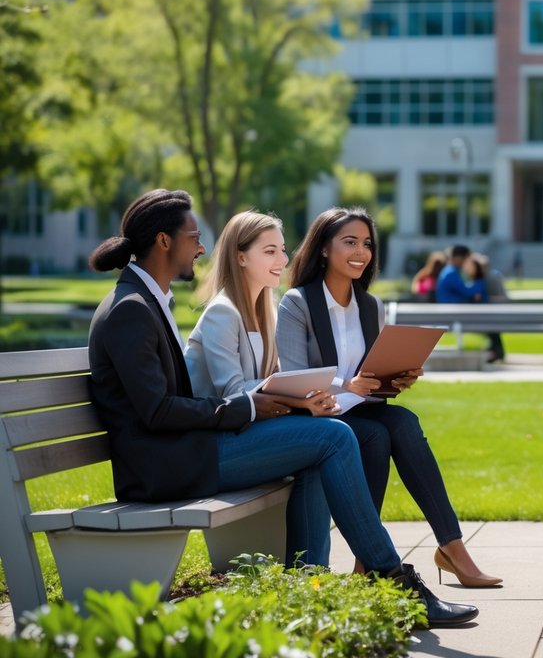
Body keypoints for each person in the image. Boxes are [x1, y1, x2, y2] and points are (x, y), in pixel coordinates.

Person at [86, 191, 476, 628]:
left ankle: (308, 588)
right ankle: (392, 577)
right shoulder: (130, 311)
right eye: (194, 238)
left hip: (186, 450)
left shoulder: (147, 302)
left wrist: (277, 403)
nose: (200, 248)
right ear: (163, 241)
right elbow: (157, 412)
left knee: (323, 443)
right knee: (333, 436)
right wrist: (251, 407)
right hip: (165, 466)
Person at [277, 208, 501, 589]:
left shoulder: (370, 306)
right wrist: (349, 385)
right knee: (377, 436)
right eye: (350, 242)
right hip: (319, 417)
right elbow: (295, 380)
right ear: (324, 249)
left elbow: (372, 376)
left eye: (366, 244)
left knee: (404, 422)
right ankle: (369, 561)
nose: (361, 252)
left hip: (362, 410)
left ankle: (451, 544)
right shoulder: (297, 303)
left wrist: (395, 378)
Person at [467, 252, 506, 363]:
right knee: (492, 326)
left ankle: (496, 351)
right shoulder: (493, 275)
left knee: (491, 324)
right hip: (494, 313)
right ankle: (496, 350)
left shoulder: (486, 278)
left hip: (491, 312)